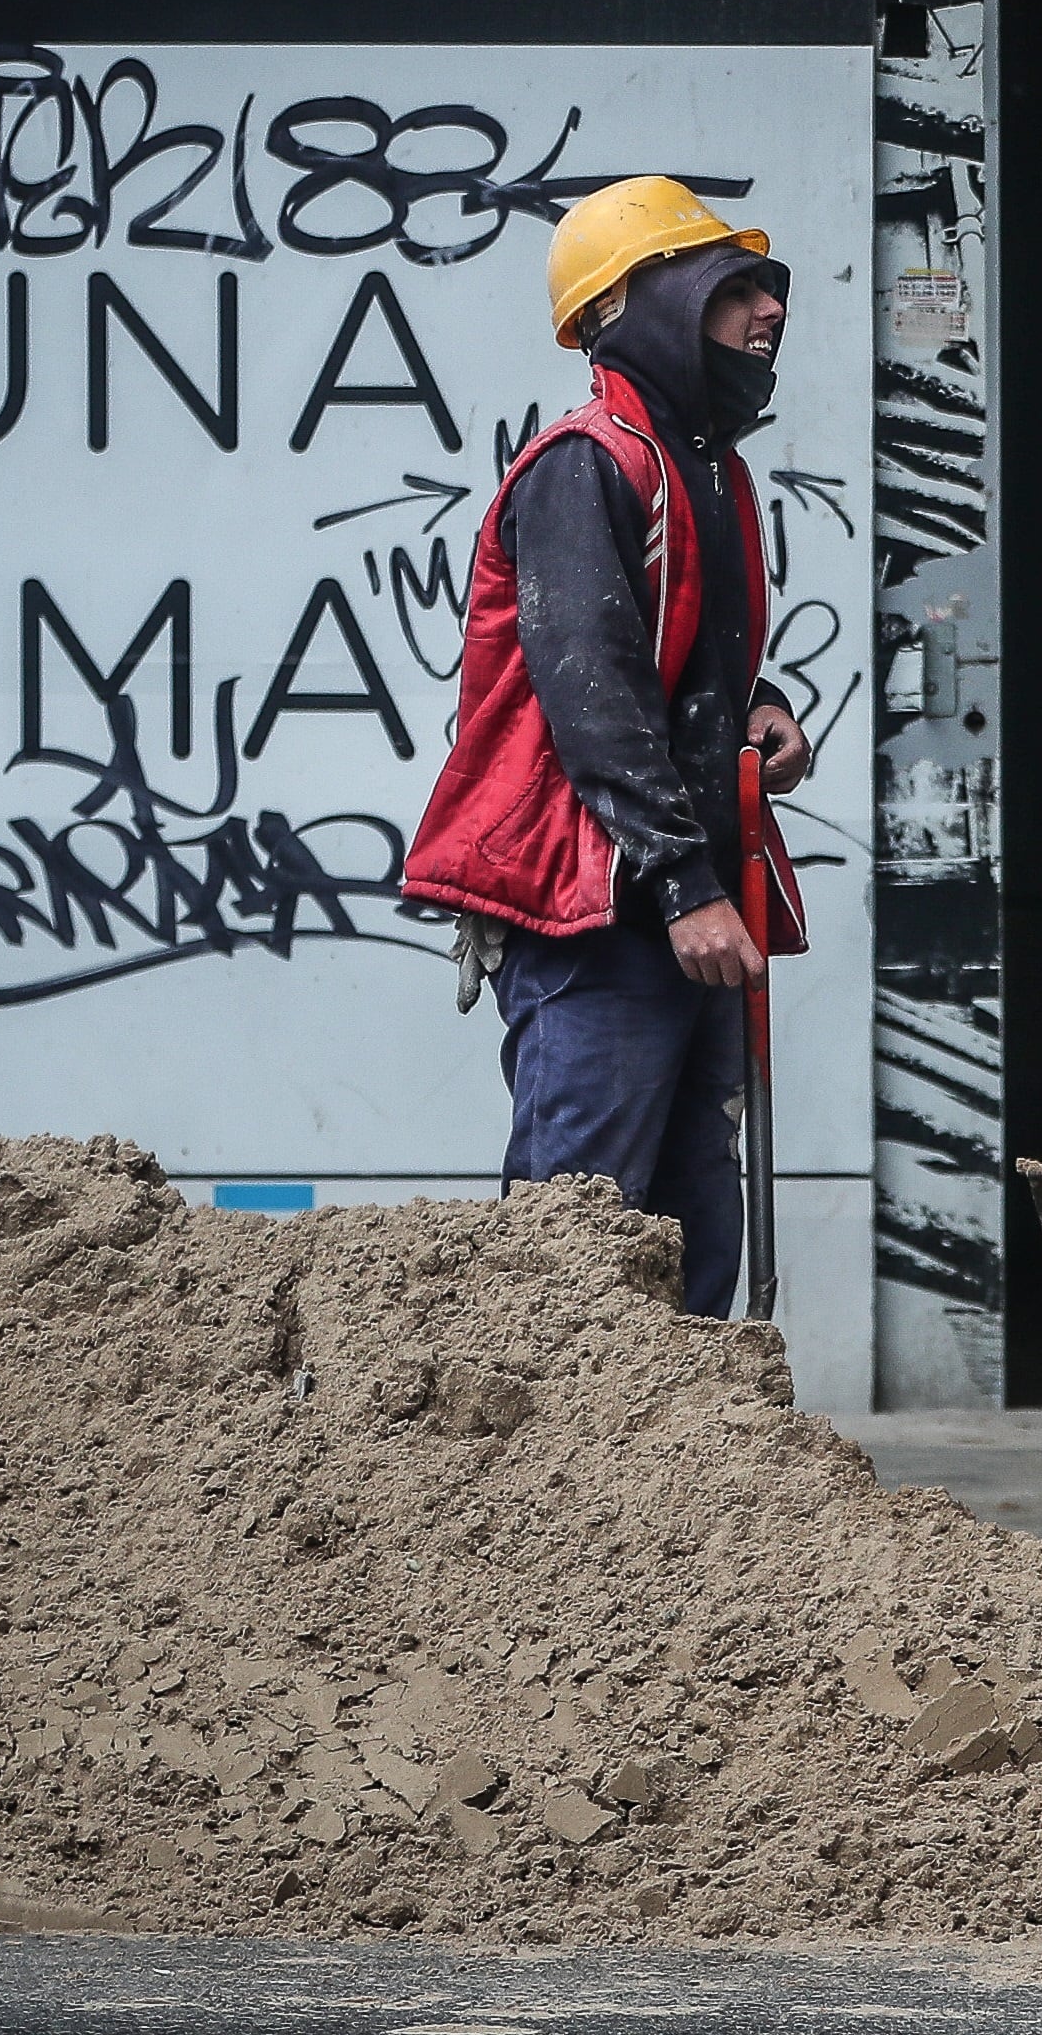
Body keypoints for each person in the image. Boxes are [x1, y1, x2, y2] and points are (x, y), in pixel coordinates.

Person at [403, 175, 812, 1319]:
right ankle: (534, 1485)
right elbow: (594, 689)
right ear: (638, 302)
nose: (768, 311)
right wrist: (687, 886)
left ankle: (677, 1483)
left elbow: (676, 666)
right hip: (602, 913)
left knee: (689, 1219)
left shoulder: (710, 472)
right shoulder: (586, 465)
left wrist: (759, 705)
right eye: (736, 288)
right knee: (575, 1235)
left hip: (679, 901)